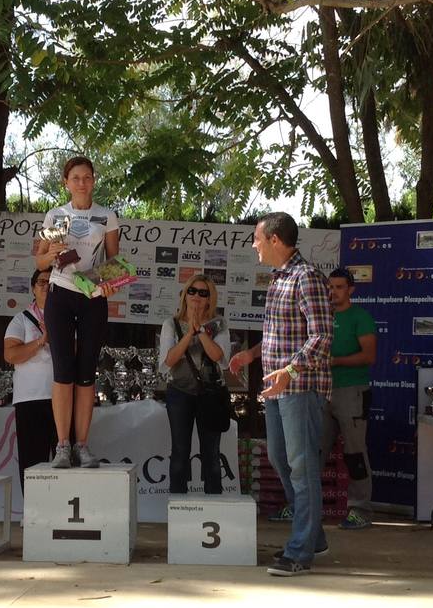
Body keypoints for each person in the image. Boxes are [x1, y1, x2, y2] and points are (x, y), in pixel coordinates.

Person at [229, 212, 333, 577]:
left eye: (257, 238)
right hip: (277, 388)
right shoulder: (279, 278)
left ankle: (300, 551)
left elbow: (321, 337)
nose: (253, 245)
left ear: (275, 240)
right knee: (278, 458)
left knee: (302, 468)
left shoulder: (307, 277)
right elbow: (281, 334)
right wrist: (251, 354)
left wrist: (289, 372)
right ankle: (313, 536)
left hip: (300, 388)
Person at [33, 156, 119, 469]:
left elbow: (113, 261)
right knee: (63, 371)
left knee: (85, 372)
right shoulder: (55, 215)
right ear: (66, 183)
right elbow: (39, 261)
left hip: (92, 297)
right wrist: (52, 253)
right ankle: (62, 445)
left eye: (87, 177)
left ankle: (82, 445)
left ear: (93, 180)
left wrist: (109, 283)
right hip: (60, 295)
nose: (82, 183)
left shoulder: (107, 216)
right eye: (75, 178)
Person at [158, 274, 231, 495]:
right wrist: (188, 334)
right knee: (180, 452)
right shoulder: (171, 323)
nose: (196, 296)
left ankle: (214, 505)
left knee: (211, 454)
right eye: (192, 291)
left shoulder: (219, 324)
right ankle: (177, 504)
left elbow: (220, 357)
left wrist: (201, 331)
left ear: (210, 299)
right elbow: (168, 362)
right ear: (185, 295)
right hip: (179, 392)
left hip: (210, 394)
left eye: (203, 293)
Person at [324, 267, 378, 530]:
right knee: (313, 451)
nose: (333, 292)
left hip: (352, 391)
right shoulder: (321, 316)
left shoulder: (360, 317)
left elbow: (369, 356)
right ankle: (304, 507)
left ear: (351, 290)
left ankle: (360, 509)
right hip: (321, 391)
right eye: (330, 287)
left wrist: (335, 361)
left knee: (355, 452)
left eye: (339, 287)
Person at [4, 267, 57, 484]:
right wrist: (40, 342)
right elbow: (10, 355)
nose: (46, 286)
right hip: (30, 398)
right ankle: (32, 505)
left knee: (67, 463)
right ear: (33, 288)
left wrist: (56, 338)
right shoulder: (21, 319)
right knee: (32, 462)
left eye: (51, 283)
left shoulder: (68, 318)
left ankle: (66, 505)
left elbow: (78, 352)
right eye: (41, 282)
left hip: (62, 398)